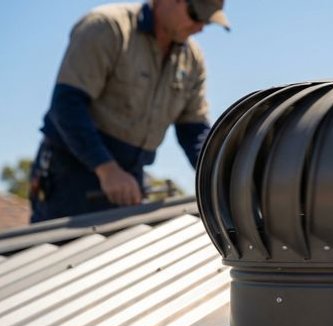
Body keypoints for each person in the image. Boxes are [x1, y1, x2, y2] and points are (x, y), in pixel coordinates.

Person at [29, 0, 229, 222]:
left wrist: (220, 179)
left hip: (130, 179)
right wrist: (107, 170)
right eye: (196, 14)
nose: (200, 27)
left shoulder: (192, 60)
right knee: (62, 253)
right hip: (70, 176)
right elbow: (67, 105)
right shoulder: (106, 27)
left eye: (207, 20)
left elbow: (194, 131)